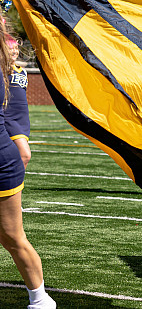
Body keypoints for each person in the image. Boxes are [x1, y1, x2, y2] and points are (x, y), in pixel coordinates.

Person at [0, 27, 55, 307]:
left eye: (15, 44)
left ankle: (40, 300)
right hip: (8, 142)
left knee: (13, 237)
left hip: (5, 150)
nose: (14, 48)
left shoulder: (13, 70)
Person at [5, 35, 31, 168]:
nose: (15, 51)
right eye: (10, 48)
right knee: (25, 155)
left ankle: (14, 187)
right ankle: (13, 186)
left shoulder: (23, 72)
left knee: (13, 156)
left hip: (22, 119)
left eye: (16, 48)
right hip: (8, 117)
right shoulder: (2, 70)